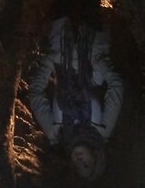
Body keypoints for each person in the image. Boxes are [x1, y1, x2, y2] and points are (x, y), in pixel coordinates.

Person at [27, 14, 124, 183]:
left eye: (77, 167)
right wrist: (100, 62)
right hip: (93, 43)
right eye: (86, 165)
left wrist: (49, 62)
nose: (79, 161)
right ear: (96, 157)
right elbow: (116, 87)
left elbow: (35, 94)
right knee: (92, 2)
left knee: (61, 2)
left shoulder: (56, 135)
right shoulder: (103, 131)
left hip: (60, 41)